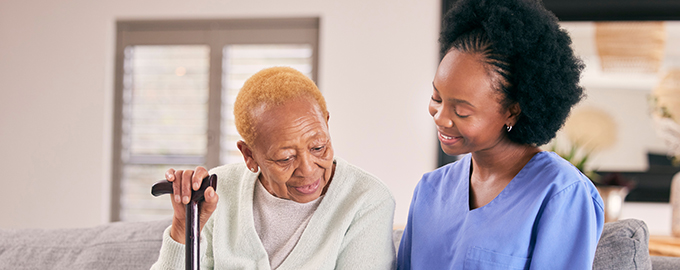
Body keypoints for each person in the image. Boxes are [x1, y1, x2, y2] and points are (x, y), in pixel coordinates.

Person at [397, 0, 604, 269]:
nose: (440, 117)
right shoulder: (430, 190)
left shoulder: (561, 193)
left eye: (461, 111)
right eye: (437, 97)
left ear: (513, 111)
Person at [151, 67, 396, 270]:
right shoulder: (217, 191)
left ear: (327, 124)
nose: (308, 170)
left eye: (318, 147)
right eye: (285, 159)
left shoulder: (367, 200)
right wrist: (184, 228)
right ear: (249, 155)